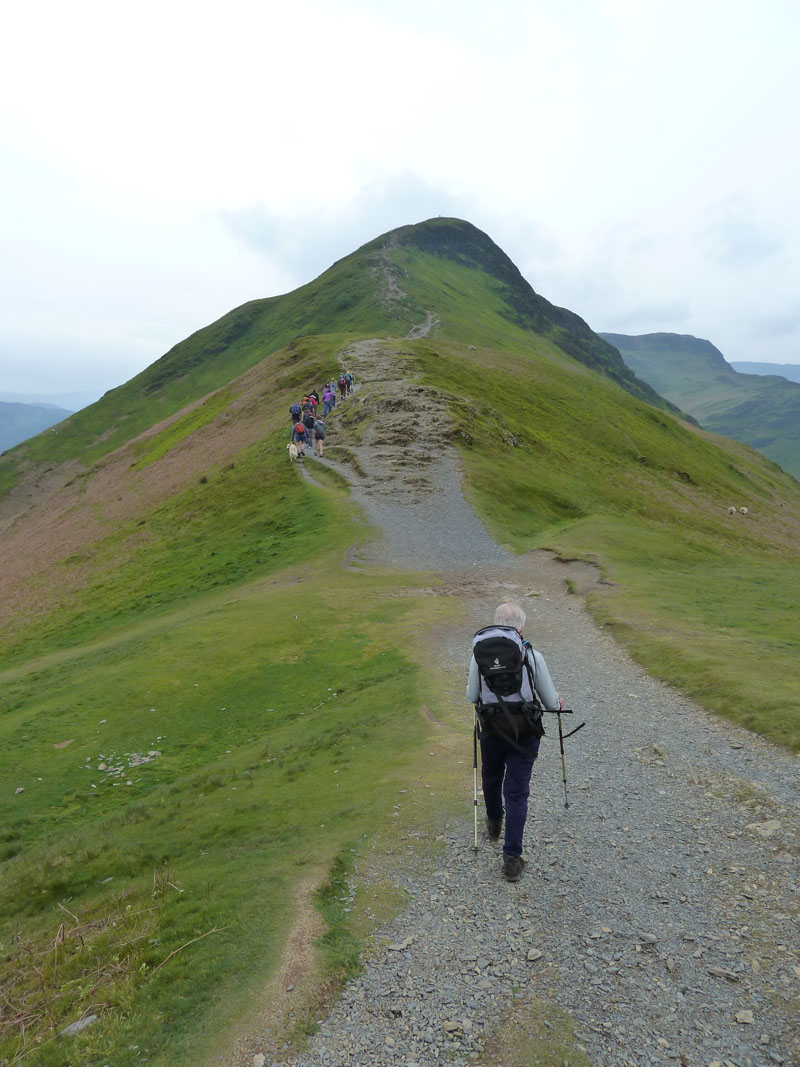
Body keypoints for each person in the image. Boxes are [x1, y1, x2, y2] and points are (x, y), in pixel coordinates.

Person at [466, 602, 564, 882]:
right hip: (525, 733)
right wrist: (558, 704)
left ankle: (494, 823)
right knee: (517, 793)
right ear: (521, 627)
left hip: (492, 729)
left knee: (492, 776)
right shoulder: (532, 655)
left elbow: (471, 695)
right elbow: (550, 701)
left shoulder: (479, 656)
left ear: (496, 622)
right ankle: (511, 858)